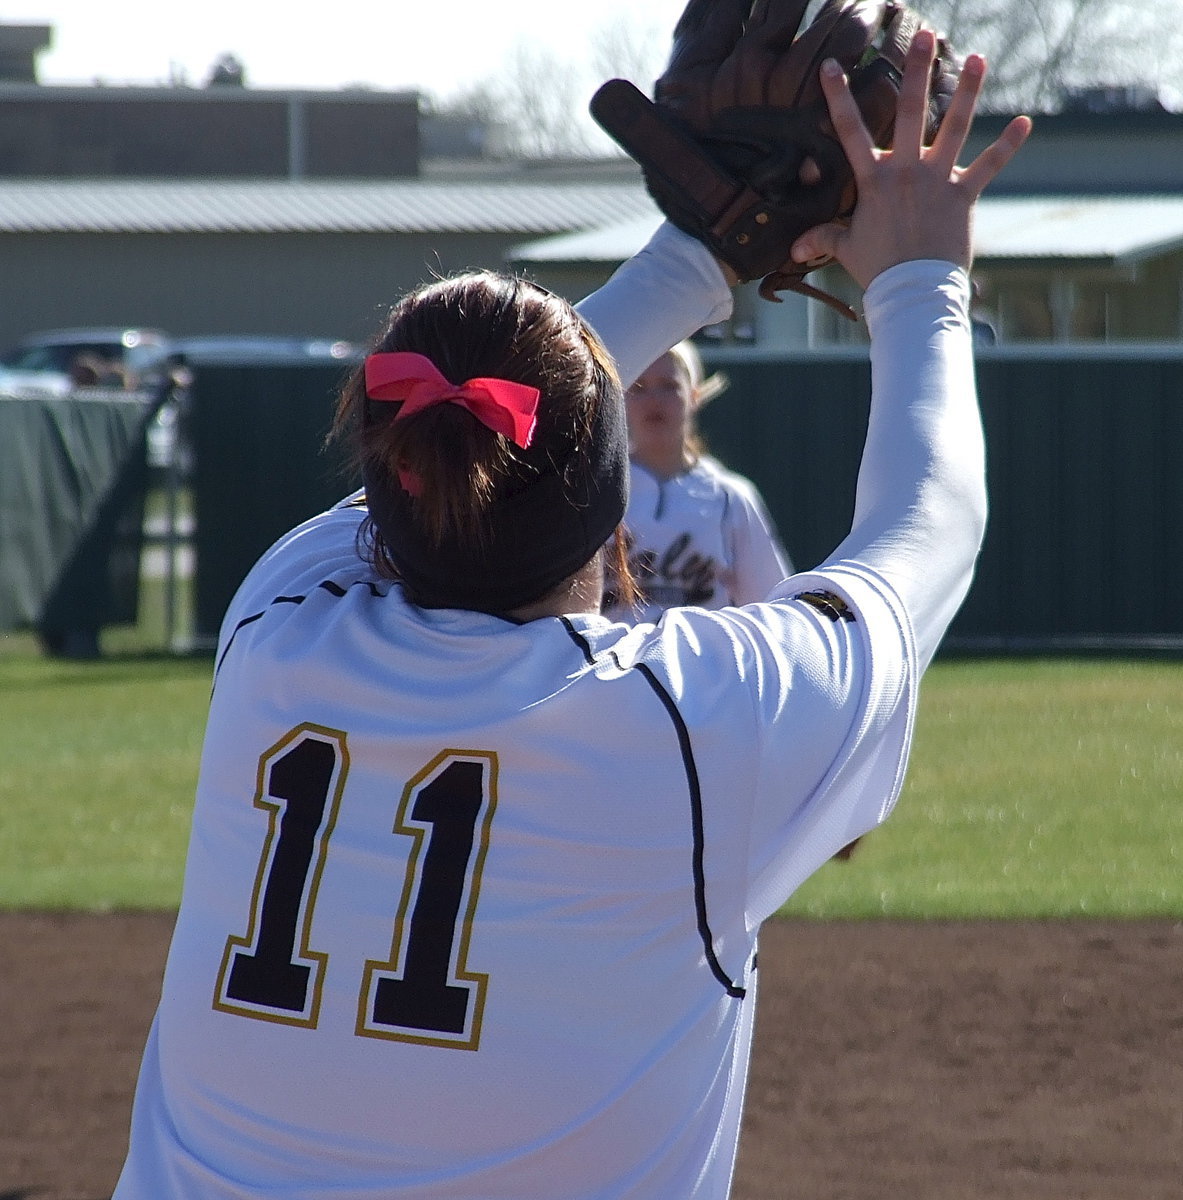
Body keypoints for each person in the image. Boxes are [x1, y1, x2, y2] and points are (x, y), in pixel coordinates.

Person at [112, 34, 1030, 1200]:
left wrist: (699, 259)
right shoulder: (698, 723)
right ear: (614, 504)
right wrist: (910, 274)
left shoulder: (277, 625)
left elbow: (464, 446)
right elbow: (930, 525)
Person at [605, 338, 793, 622]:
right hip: (616, 662)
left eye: (669, 386)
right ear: (623, 397)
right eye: (639, 387)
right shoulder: (598, 491)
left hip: (702, 663)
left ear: (694, 396)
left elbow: (773, 606)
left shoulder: (729, 497)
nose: (654, 399)